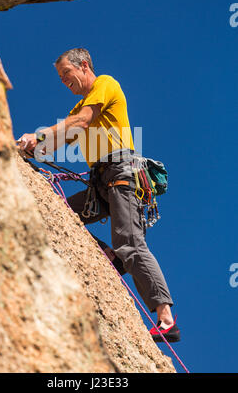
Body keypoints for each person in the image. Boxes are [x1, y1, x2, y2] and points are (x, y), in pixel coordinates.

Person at [18, 48, 180, 343]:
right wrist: (30, 149)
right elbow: (61, 138)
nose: (64, 81)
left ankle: (166, 317)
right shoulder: (77, 111)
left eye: (67, 74)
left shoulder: (105, 84)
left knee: (129, 243)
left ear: (84, 66)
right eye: (60, 78)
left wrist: (37, 136)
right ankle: (109, 256)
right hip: (101, 183)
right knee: (62, 213)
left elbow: (80, 123)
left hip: (122, 175)